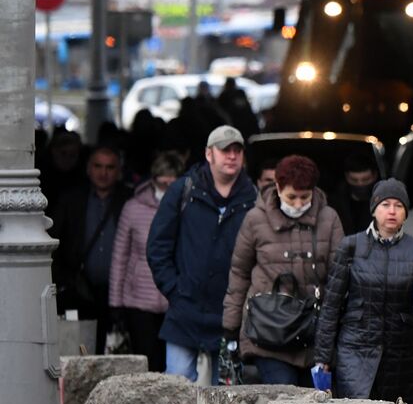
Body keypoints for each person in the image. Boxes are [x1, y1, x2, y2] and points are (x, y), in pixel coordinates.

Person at [313, 179, 413, 402]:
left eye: (398, 206)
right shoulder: (351, 246)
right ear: (374, 209)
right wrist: (323, 356)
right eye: (385, 205)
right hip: (355, 347)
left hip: (400, 351)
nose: (392, 211)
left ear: (405, 212)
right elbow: (332, 305)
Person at [147, 126, 259, 383]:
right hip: (185, 309)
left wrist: (245, 302)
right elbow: (157, 246)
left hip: (230, 315)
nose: (231, 156)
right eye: (224, 150)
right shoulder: (184, 189)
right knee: (177, 393)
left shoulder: (253, 198)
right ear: (209, 154)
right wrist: (175, 289)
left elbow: (261, 256)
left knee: (226, 402)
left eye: (237, 151)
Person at [223, 155, 345, 386]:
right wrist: (230, 327)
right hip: (267, 332)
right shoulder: (255, 219)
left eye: (304, 197)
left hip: (313, 334)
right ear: (277, 187)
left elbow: (338, 279)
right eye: (291, 197)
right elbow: (239, 273)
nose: (298, 204)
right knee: (282, 399)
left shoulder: (329, 219)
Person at [48, 146, 132, 352]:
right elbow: (55, 240)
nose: (103, 173)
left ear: (119, 170)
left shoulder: (129, 200)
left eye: (110, 167)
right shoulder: (72, 200)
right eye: (98, 166)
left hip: (120, 290)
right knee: (79, 346)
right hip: (80, 287)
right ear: (88, 169)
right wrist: (62, 277)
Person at [108, 151, 183, 372]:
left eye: (173, 183)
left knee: (174, 366)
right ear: (153, 180)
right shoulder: (133, 207)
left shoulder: (188, 207)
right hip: (138, 300)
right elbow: (119, 257)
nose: (167, 189)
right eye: (162, 183)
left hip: (175, 297)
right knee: (147, 361)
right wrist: (115, 304)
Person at [329, 151, 379, 236]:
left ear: (375, 176)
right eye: (354, 180)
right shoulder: (335, 203)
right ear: (346, 177)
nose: (360, 184)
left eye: (366, 180)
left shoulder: (384, 202)